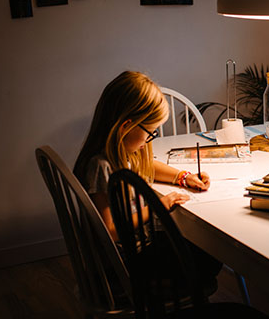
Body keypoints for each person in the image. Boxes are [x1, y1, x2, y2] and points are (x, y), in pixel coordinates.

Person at [74, 71, 222, 291]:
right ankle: (160, 297)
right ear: (126, 126)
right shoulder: (101, 166)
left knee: (206, 251)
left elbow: (149, 165)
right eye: (150, 133)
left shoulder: (123, 151)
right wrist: (157, 207)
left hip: (139, 246)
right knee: (208, 259)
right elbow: (110, 230)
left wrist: (182, 177)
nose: (149, 140)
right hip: (122, 263)